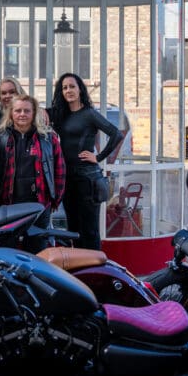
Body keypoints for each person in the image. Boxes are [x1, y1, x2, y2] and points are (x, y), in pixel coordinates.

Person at [49, 73, 125, 251]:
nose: (68, 90)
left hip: (87, 179)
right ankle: (79, 271)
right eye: (65, 87)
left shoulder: (89, 113)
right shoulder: (61, 114)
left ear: (80, 89)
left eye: (72, 86)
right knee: (73, 229)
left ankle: (95, 272)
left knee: (89, 231)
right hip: (68, 178)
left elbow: (116, 134)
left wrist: (98, 157)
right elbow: (37, 113)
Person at [0, 94, 65, 252]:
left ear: (34, 113)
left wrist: (54, 200)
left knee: (37, 250)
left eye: (27, 110)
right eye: (18, 110)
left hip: (39, 204)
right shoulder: (0, 138)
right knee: (6, 250)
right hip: (9, 205)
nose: (22, 114)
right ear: (11, 113)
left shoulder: (48, 139)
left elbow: (59, 170)